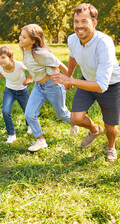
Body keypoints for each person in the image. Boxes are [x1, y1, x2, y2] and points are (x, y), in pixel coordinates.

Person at [51, 3, 120, 162]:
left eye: (84, 21)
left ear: (94, 23)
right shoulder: (72, 39)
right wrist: (69, 76)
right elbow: (73, 56)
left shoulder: (104, 43)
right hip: (86, 79)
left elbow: (101, 86)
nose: (79, 26)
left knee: (110, 126)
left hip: (109, 85)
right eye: (76, 22)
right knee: (75, 118)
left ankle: (111, 147)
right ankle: (94, 129)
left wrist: (70, 80)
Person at [19, 24, 79, 152]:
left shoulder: (41, 53)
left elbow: (60, 64)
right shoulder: (26, 50)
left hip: (53, 86)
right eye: (21, 35)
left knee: (61, 113)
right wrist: (30, 77)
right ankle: (40, 140)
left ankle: (74, 123)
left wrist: (69, 80)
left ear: (33, 40)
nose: (20, 38)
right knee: (29, 114)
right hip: (39, 87)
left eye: (24, 37)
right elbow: (34, 66)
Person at [0, 46, 32, 143]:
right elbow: (1, 73)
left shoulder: (19, 65)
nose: (0, 60)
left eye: (3, 57)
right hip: (9, 91)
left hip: (22, 91)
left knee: (27, 111)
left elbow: (32, 69)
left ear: (11, 58)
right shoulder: (0, 67)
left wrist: (29, 79)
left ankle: (30, 126)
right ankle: (11, 134)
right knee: (5, 111)